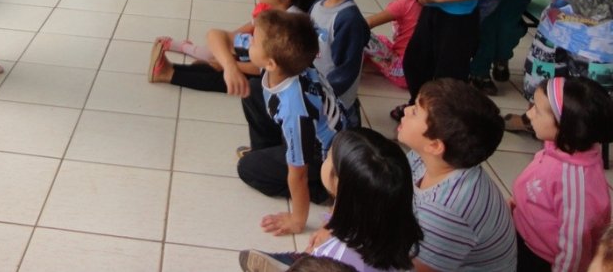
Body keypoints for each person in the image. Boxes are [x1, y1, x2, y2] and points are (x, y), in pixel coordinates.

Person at [239, 128, 423, 272]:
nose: (325, 157)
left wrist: (316, 254)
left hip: (328, 262)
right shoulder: (394, 224)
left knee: (309, 260)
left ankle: (296, 262)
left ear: (339, 185)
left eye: (328, 157)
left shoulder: (332, 256)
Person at [236, 10, 345, 235]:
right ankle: (267, 152)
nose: (249, 40)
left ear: (271, 63)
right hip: (313, 132)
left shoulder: (296, 110)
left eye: (254, 40)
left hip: (320, 155)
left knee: (247, 169)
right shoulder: (292, 65)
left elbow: (299, 172)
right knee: (252, 90)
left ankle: (323, 190)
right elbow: (223, 39)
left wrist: (297, 220)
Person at [397, 78, 517, 272]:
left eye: (415, 111)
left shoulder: (445, 211)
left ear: (435, 145)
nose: (406, 110)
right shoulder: (431, 158)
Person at [149, 0, 315, 93]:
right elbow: (218, 35)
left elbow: (265, 67)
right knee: (224, 60)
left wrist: (231, 65)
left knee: (230, 76)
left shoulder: (287, 26)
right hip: (258, 59)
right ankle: (173, 69)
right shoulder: (270, 11)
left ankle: (168, 73)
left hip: (275, 75)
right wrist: (227, 59)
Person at [512, 77, 613, 272]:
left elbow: (574, 250)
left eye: (538, 111)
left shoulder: (575, 183)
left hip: (542, 259)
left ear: (565, 127)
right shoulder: (559, 147)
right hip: (524, 234)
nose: (529, 114)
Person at [308, 0, 370, 128]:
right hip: (317, 88)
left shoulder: (348, 19)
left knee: (334, 144)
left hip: (336, 101)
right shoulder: (319, 3)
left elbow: (345, 71)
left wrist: (319, 92)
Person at [363, 0, 422, 89]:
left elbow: (368, 23)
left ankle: (351, 68)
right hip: (413, 69)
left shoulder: (403, 4)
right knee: (381, 39)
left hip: (402, 71)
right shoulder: (417, 2)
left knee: (363, 36)